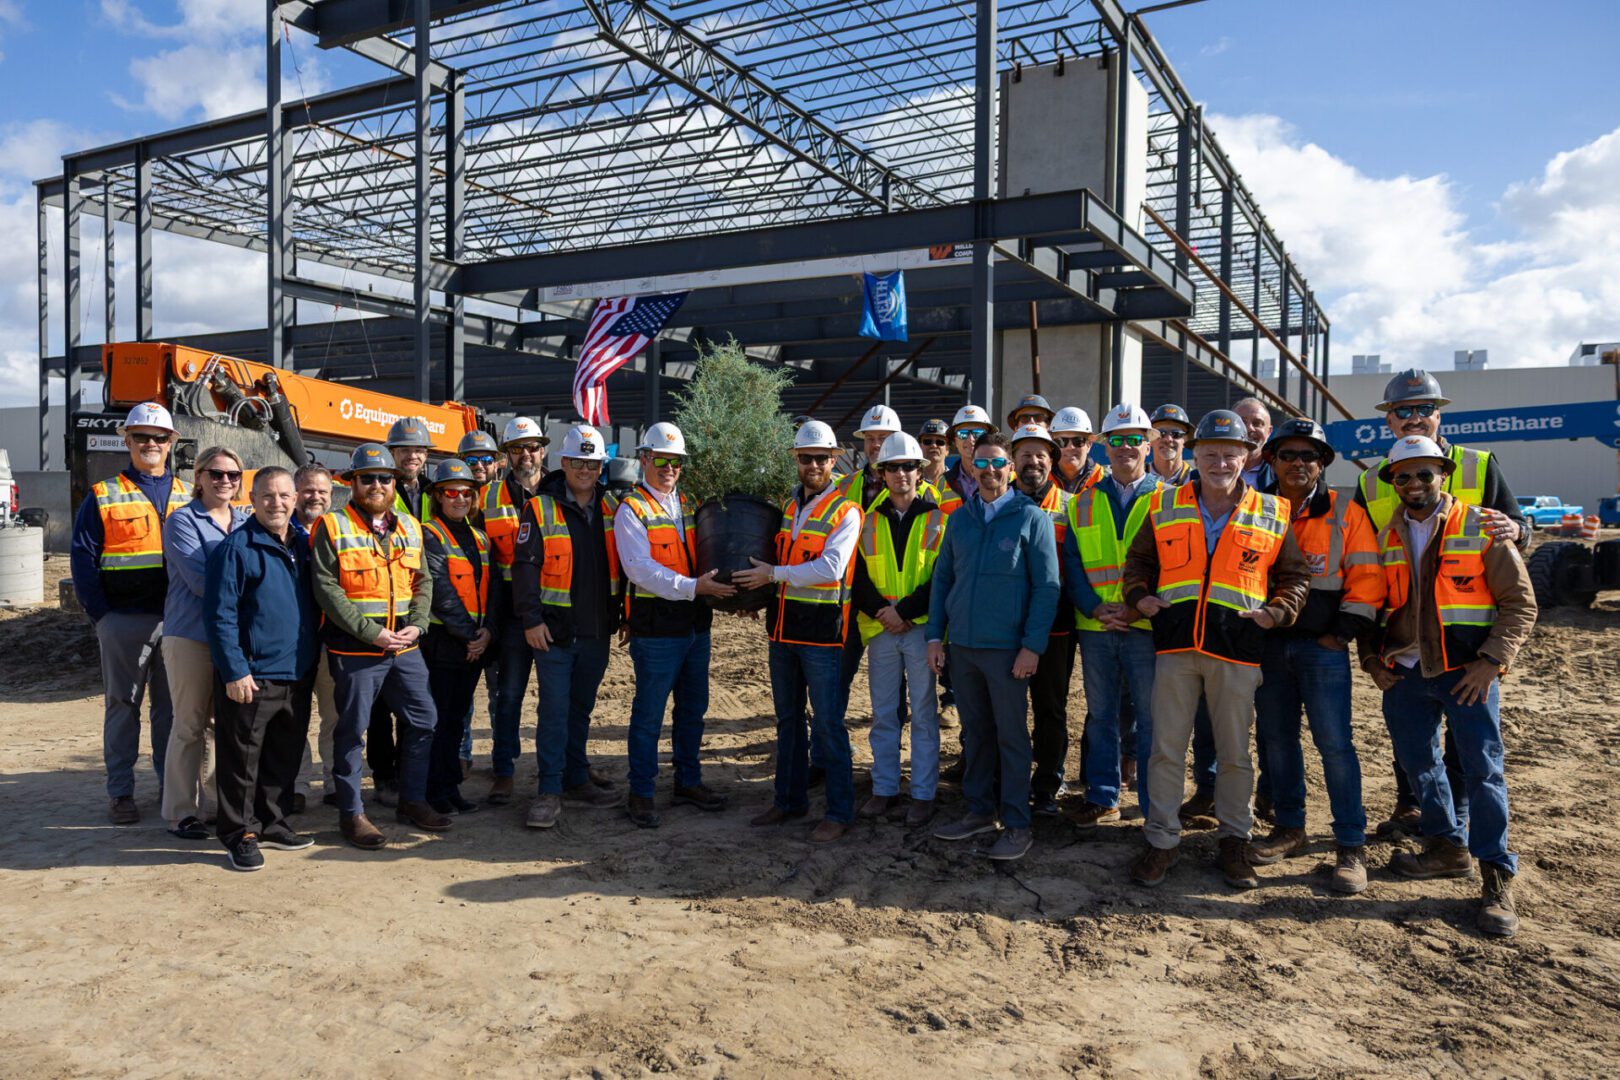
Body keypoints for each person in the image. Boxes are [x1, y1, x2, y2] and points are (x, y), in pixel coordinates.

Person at [1122, 409, 1310, 890]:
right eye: (1210, 455)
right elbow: (1138, 562)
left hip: (1238, 650)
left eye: (1230, 454)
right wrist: (1139, 598)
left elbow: (1294, 577)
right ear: (1195, 456)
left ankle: (1234, 842)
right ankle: (1161, 841)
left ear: (1246, 457)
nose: (1220, 464)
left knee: (1234, 755)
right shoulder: (1164, 504)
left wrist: (1276, 612)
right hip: (1175, 646)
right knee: (1165, 751)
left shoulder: (1270, 511)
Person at [1358, 435, 1537, 936]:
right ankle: (1445, 845)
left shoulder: (1481, 527)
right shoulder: (1385, 537)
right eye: (1404, 476)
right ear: (1393, 482)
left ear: (1443, 475)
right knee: (1419, 764)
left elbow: (1520, 605)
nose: (1414, 483)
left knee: (1483, 771)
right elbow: (1371, 607)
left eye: (1424, 474)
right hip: (1406, 675)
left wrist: (1491, 662)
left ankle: (1496, 874)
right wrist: (1373, 659)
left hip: (1467, 674)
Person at [1352, 370, 1531, 838]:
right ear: (1389, 420)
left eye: (1424, 409)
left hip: (1466, 641)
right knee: (1414, 744)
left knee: (1470, 750)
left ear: (1439, 414)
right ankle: (1420, 813)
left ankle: (1465, 827)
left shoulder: (1477, 464)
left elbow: (1513, 531)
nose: (1414, 418)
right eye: (1403, 410)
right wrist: (1371, 653)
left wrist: (1518, 532)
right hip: (1407, 643)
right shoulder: (1373, 481)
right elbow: (1363, 567)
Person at [1248, 419, 1383, 894]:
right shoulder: (1256, 508)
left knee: (1335, 746)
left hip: (1322, 649)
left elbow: (1367, 578)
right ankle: (1289, 827)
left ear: (1323, 463)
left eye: (1310, 456)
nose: (1299, 464)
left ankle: (1350, 844)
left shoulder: (1346, 510)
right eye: (1289, 455)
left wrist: (1341, 634)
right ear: (1272, 460)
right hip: (1268, 646)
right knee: (1277, 742)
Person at [927, 432, 1061, 862]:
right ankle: (979, 810)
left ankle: (1018, 823)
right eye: (980, 464)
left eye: (997, 464)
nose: (988, 472)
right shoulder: (960, 519)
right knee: (976, 735)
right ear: (972, 468)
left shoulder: (1032, 519)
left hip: (1007, 653)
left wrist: (1032, 647)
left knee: (1012, 738)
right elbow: (943, 580)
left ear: (1010, 469)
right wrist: (936, 635)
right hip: (963, 649)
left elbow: (1047, 588)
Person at [312, 443, 448, 850]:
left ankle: (411, 800)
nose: (376, 485)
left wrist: (420, 625)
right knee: (352, 732)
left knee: (424, 720)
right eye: (366, 478)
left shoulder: (408, 526)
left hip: (405, 648)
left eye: (384, 478)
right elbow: (326, 588)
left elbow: (423, 582)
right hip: (357, 651)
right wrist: (370, 632)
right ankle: (352, 814)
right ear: (352, 482)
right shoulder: (332, 526)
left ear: (395, 483)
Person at [736, 421, 862, 843]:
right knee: (788, 721)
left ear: (834, 459)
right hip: (783, 631)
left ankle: (840, 812)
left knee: (828, 724)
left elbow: (830, 567)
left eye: (821, 458)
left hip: (823, 636)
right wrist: (758, 597)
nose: (813, 465)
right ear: (796, 459)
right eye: (806, 458)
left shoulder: (846, 511)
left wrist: (774, 575)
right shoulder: (789, 508)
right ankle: (788, 800)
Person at [71, 402, 190, 825]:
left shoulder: (188, 493)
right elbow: (83, 556)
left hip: (177, 621)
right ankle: (121, 791)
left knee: (170, 710)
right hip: (123, 619)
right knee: (123, 705)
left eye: (159, 437)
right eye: (141, 436)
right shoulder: (104, 495)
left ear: (171, 442)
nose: (151, 444)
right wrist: (101, 615)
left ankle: (168, 787)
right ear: (128, 440)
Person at [615, 422, 736, 828]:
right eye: (662, 460)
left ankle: (688, 781)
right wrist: (693, 587)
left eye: (677, 462)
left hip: (695, 626)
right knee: (649, 714)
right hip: (657, 630)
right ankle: (642, 792)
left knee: (693, 710)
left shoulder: (688, 502)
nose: (670, 468)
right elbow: (639, 569)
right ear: (645, 459)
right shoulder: (632, 510)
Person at [205, 467, 319, 871]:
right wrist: (235, 671)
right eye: (268, 496)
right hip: (252, 675)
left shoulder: (304, 544)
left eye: (285, 496)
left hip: (296, 671)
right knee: (241, 761)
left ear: (295, 499)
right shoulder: (237, 548)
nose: (277, 503)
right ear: (251, 500)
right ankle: (239, 833)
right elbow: (219, 616)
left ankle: (273, 822)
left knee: (282, 755)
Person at [512, 425, 625, 829]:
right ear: (564, 463)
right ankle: (548, 790)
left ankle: (577, 778)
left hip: (597, 633)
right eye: (578, 461)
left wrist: (623, 615)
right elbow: (524, 568)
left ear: (600, 467)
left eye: (593, 464)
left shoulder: (612, 509)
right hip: (555, 635)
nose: (585, 470)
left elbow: (623, 570)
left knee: (581, 710)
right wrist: (531, 620)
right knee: (555, 712)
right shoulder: (540, 508)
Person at [1062, 405, 1163, 829]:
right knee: (1100, 715)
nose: (1126, 447)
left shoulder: (1169, 499)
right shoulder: (1081, 503)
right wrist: (1092, 606)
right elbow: (1071, 564)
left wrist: (1137, 606)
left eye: (1134, 438)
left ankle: (1154, 800)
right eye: (1117, 439)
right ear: (1104, 446)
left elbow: (1176, 563)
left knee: (1152, 716)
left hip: (1145, 627)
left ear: (1147, 444)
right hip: (1096, 627)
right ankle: (1103, 796)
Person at [851, 432, 944, 829]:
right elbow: (854, 577)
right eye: (893, 467)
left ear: (919, 471)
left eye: (908, 466)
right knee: (884, 714)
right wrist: (883, 612)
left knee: (924, 714)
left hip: (920, 629)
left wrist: (903, 612)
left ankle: (923, 794)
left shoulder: (940, 518)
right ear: (881, 473)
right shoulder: (868, 520)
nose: (901, 473)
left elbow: (943, 577)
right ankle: (885, 788)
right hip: (881, 631)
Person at [159, 446, 248, 839]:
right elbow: (201, 582)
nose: (224, 481)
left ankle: (212, 804)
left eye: (232, 475)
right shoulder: (182, 522)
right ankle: (179, 812)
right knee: (189, 724)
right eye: (215, 473)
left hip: (229, 638)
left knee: (216, 726)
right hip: (190, 636)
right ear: (198, 477)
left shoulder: (246, 521)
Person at [483, 416, 551, 805]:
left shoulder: (559, 489)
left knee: (559, 695)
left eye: (532, 447)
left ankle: (565, 766)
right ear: (506, 455)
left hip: (554, 604)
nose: (526, 454)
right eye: (517, 448)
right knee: (508, 694)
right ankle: (504, 770)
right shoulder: (489, 497)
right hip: (510, 609)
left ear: (543, 450)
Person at [1008, 421, 1074, 818]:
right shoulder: (998, 503)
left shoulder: (1072, 507)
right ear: (1013, 460)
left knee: (1051, 709)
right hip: (1006, 628)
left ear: (1053, 460)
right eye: (1024, 454)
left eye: (1040, 454)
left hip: (1055, 629)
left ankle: (1047, 785)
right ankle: (1009, 783)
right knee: (1007, 710)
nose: (1032, 461)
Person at [420, 459, 494, 817]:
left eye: (467, 492)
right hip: (444, 643)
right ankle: (433, 791)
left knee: (456, 719)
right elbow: (440, 591)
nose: (460, 498)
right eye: (451, 492)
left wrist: (487, 632)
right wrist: (471, 636)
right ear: (438, 496)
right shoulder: (429, 533)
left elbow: (491, 588)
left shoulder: (479, 536)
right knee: (438, 720)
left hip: (473, 644)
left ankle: (450, 788)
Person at [290, 464, 343, 810]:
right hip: (291, 641)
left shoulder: (340, 530)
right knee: (293, 716)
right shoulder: (281, 529)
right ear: (295, 492)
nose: (316, 497)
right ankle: (295, 785)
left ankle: (335, 782)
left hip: (331, 638)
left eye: (323, 491)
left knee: (335, 715)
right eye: (309, 490)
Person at [454, 427, 501, 775]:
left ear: (497, 463)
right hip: (458, 614)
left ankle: (501, 758)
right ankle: (460, 753)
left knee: (502, 694)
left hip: (499, 612)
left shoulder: (508, 499)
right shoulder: (443, 498)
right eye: (472, 459)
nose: (479, 465)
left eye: (486, 459)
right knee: (460, 696)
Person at [941, 404, 996, 508]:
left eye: (978, 433)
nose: (970, 439)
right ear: (955, 441)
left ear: (989, 438)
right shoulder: (940, 483)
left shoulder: (1007, 477)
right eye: (963, 433)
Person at [387, 416, 436, 523]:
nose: (412, 456)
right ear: (392, 454)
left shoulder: (434, 494)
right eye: (405, 450)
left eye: (418, 450)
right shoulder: (381, 490)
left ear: (426, 456)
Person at [1051, 406, 1104, 494]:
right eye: (1062, 441)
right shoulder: (1041, 479)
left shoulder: (1104, 479)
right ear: (1053, 445)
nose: (1070, 447)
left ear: (1089, 445)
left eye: (1078, 441)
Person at [1231, 397, 1276, 491]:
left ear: (1269, 431)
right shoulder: (1202, 475)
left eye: (1257, 423)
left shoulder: (1281, 474)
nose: (1249, 428)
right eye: (1242, 422)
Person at [1148, 404, 1195, 485]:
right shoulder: (1136, 478)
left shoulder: (1198, 481)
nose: (1168, 439)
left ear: (1186, 440)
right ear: (1150, 439)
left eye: (1176, 434)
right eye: (1161, 433)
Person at [917, 419, 952, 496]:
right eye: (927, 441)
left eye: (940, 442)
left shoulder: (957, 482)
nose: (933, 445)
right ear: (919, 447)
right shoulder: (911, 482)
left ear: (947, 449)